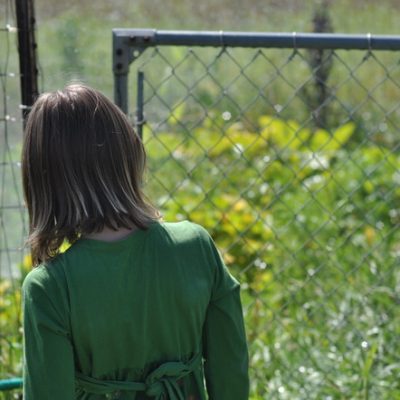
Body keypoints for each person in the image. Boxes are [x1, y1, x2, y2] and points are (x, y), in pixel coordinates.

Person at [21, 84, 249, 400]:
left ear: (42, 180)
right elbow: (231, 371)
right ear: (130, 151)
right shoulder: (195, 247)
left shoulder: (50, 287)